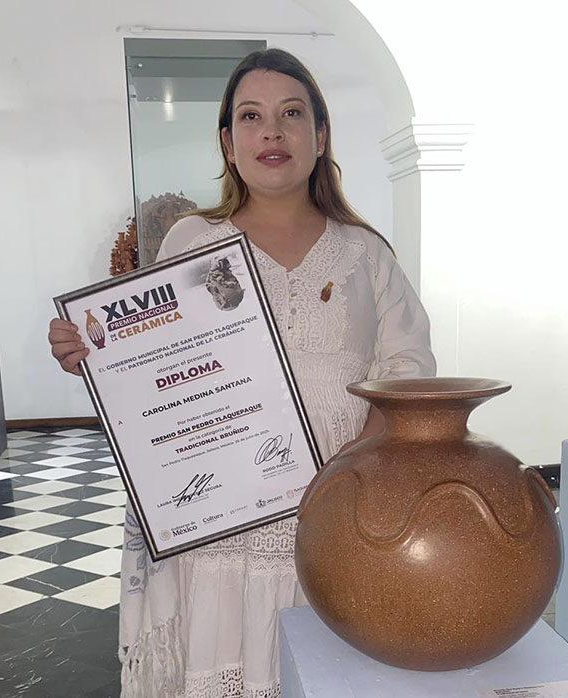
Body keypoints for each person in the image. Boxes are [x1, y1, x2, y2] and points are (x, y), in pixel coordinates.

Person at [47, 48, 435, 697]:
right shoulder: (192, 242)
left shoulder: (366, 254)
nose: (272, 132)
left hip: (330, 518)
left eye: (292, 114)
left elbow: (408, 372)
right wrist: (90, 352)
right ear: (228, 142)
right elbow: (152, 366)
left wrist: (346, 475)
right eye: (251, 117)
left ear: (321, 136)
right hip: (214, 525)